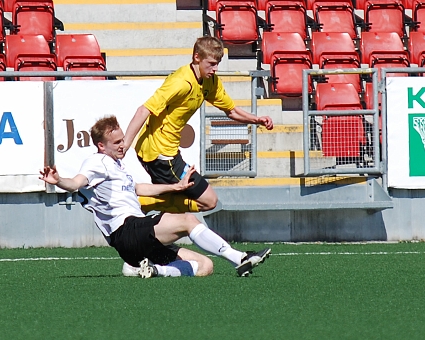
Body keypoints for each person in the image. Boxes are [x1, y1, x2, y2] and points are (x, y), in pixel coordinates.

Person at [39, 115, 270, 278]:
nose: (123, 145)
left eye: (122, 140)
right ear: (101, 145)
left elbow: (139, 188)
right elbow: (76, 183)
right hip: (127, 231)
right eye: (117, 142)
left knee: (204, 266)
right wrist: (59, 181)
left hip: (136, 243)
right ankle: (239, 258)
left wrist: (176, 187)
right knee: (187, 219)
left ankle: (148, 269)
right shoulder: (96, 162)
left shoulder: (115, 165)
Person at [124, 36, 274, 213]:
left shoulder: (210, 81)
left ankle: (151, 212)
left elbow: (231, 110)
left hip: (168, 153)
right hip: (161, 155)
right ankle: (146, 203)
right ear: (197, 57)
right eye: (211, 63)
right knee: (209, 201)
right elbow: (143, 110)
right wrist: (124, 146)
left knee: (176, 208)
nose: (215, 68)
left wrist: (256, 119)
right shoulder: (180, 82)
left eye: (218, 63)